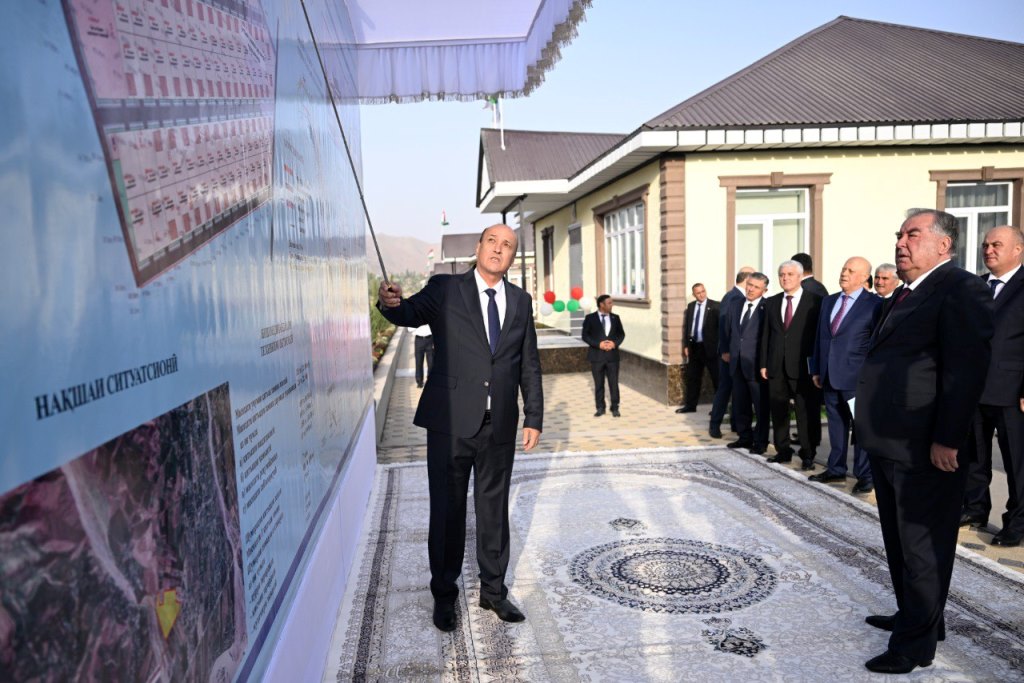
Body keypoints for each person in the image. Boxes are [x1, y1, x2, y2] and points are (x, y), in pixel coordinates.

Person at [376, 223, 543, 632]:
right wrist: (389, 302)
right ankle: (444, 595)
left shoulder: (520, 301)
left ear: (512, 256)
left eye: (507, 245)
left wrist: (534, 417)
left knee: (493, 511)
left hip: (499, 424)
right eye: (492, 241)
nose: (498, 249)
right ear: (478, 247)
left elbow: (529, 362)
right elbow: (408, 312)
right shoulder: (446, 289)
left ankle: (494, 592)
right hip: (450, 423)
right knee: (448, 511)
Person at [855, 209, 994, 674]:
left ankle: (914, 648)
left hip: (926, 444)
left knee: (922, 547)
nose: (901, 243)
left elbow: (965, 370)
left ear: (943, 244)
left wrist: (947, 439)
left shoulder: (961, 288)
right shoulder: (904, 292)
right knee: (899, 541)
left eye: (913, 235)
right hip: (890, 440)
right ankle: (917, 617)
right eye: (900, 235)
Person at [961, 226, 1024, 546]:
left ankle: (1018, 522)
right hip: (973, 388)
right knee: (974, 455)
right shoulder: (976, 286)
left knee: (1017, 462)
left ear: (1018, 249)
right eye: (986, 245)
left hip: (1012, 389)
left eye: (997, 244)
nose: (988, 250)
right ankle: (975, 508)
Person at [809, 257, 882, 493]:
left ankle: (865, 475)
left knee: (861, 429)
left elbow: (877, 344)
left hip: (857, 378)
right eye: (843, 269)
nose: (844, 273)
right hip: (829, 375)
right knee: (836, 425)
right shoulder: (829, 301)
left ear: (864, 277)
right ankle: (836, 468)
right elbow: (820, 337)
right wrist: (816, 368)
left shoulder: (875, 304)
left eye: (851, 271)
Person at [759, 260, 822, 470]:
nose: (785, 278)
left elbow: (818, 337)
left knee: (806, 412)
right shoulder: (772, 302)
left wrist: (816, 366)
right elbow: (766, 334)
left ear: (800, 276)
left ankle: (808, 453)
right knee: (779, 411)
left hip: (803, 367)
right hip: (776, 366)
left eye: (790, 274)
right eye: (782, 274)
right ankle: (783, 450)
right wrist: (763, 363)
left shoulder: (815, 302)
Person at [726, 272, 770, 454]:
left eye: (756, 287)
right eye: (749, 285)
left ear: (764, 290)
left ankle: (760, 442)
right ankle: (744, 437)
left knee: (760, 407)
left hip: (756, 366)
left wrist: (765, 364)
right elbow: (729, 330)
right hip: (737, 363)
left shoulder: (767, 307)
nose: (751, 289)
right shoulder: (735, 304)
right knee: (740, 404)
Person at [709, 267, 755, 437]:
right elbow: (724, 325)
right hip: (729, 355)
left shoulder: (737, 296)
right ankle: (715, 425)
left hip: (737, 354)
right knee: (725, 389)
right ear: (747, 279)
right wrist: (725, 350)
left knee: (737, 390)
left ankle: (736, 425)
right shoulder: (733, 296)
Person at [678, 283, 719, 413]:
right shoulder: (691, 306)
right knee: (693, 378)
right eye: (698, 293)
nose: (701, 295)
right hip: (694, 347)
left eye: (703, 291)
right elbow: (687, 327)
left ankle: (718, 408)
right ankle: (690, 406)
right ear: (694, 294)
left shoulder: (715, 306)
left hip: (710, 348)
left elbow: (721, 329)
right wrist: (686, 345)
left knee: (716, 378)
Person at [582, 294, 625, 417]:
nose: (612, 305)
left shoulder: (616, 318)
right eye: (609, 303)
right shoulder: (590, 318)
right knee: (599, 384)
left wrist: (614, 343)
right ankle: (600, 408)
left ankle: (615, 407)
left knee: (614, 383)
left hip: (612, 357)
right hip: (597, 357)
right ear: (602, 305)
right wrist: (598, 344)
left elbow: (621, 334)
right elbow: (585, 336)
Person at [413, 324, 434, 388]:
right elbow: (409, 328)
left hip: (430, 339)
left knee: (431, 362)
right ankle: (419, 382)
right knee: (418, 362)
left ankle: (431, 381)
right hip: (419, 340)